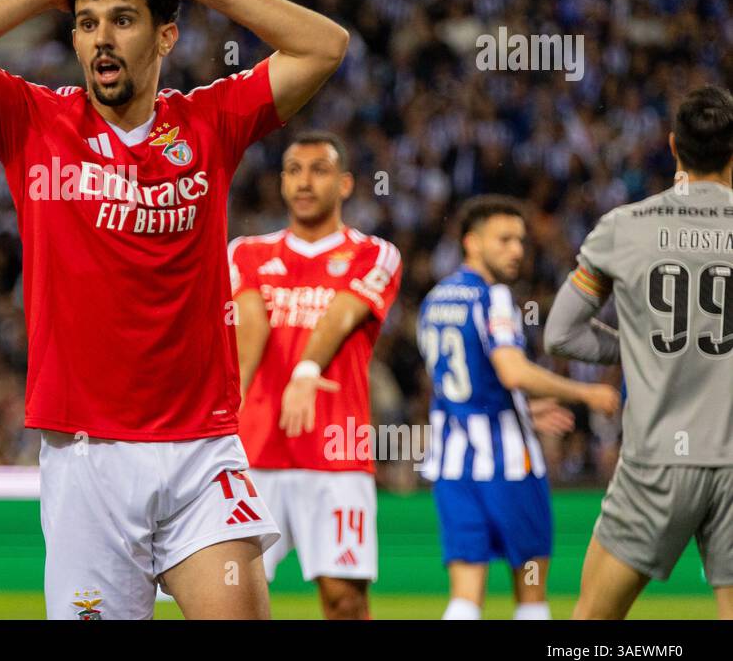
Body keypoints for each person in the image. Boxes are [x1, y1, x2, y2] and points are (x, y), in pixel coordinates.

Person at [0, 0, 349, 619]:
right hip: (89, 458)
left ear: (165, 35)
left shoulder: (210, 121)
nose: (101, 39)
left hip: (202, 448)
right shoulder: (33, 122)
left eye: (123, 20)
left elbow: (324, 45)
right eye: (86, 24)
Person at [545, 84, 733, 620]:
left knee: (591, 627)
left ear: (674, 147)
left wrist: (643, 349)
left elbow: (560, 334)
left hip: (656, 459)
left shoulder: (625, 228)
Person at [418, 195, 619, 619]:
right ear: (471, 242)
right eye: (504, 239)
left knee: (464, 596)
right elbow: (512, 371)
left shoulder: (434, 300)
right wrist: (586, 394)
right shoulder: (493, 298)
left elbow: (463, 385)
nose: (517, 251)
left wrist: (520, 408)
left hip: (454, 464)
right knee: (531, 594)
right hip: (509, 464)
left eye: (520, 241)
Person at [230, 131, 401, 619]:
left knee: (345, 601)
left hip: (336, 454)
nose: (305, 182)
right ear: (282, 182)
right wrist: (235, 396)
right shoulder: (246, 253)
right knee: (232, 599)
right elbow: (250, 328)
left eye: (319, 170)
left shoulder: (375, 253)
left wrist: (306, 370)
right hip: (253, 453)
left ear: (345, 183)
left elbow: (343, 314)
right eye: (293, 170)